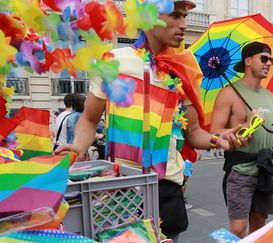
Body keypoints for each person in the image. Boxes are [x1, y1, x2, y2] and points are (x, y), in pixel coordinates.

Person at [55, 1, 245, 242]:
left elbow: (194, 133)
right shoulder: (113, 61)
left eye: (185, 16)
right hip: (121, 187)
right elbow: (90, 119)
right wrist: (78, 146)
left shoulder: (183, 68)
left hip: (167, 189)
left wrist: (220, 138)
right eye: (175, 16)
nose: (184, 24)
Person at [210, 41, 273, 238]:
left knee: (260, 225)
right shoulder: (229, 93)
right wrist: (241, 128)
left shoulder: (270, 96)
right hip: (241, 170)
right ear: (248, 61)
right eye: (264, 58)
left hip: (266, 169)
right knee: (237, 228)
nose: (269, 63)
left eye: (271, 59)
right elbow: (215, 133)